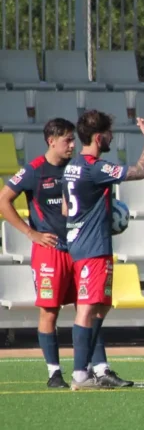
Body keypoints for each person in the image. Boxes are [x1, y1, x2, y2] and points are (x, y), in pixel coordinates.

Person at [63, 111, 144, 391]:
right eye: (110, 134)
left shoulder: (73, 166)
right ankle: (81, 374)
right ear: (99, 137)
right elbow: (141, 171)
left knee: (100, 307)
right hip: (92, 247)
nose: (112, 138)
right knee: (89, 307)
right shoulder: (95, 167)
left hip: (83, 242)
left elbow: (67, 208)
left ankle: (99, 369)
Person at [0, 119, 78, 388]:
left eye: (73, 139)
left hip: (80, 249)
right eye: (68, 140)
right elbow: (3, 199)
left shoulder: (76, 169)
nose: (73, 145)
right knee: (49, 311)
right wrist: (31, 233)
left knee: (88, 308)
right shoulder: (33, 171)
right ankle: (54, 373)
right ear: (51, 141)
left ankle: (90, 369)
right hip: (50, 252)